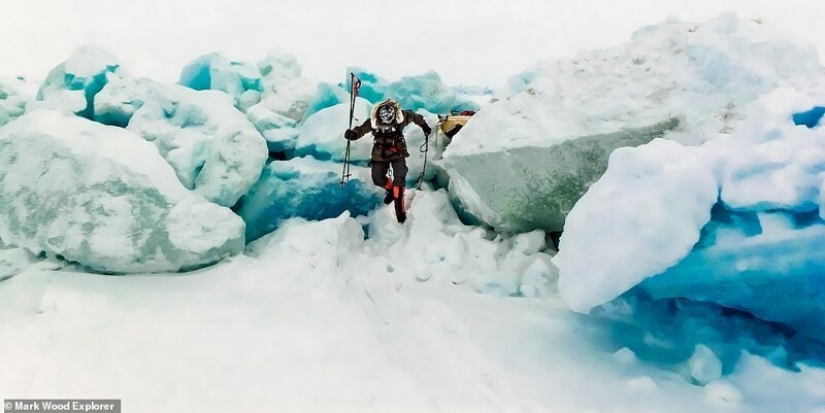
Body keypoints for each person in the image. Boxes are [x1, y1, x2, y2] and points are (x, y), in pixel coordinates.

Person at [344, 99, 431, 223]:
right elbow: (362, 129)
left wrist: (424, 126)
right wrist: (354, 134)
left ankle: (399, 211)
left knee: (399, 177)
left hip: (397, 151)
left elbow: (416, 117)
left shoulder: (402, 117)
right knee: (377, 178)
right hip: (379, 153)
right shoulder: (373, 121)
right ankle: (391, 190)